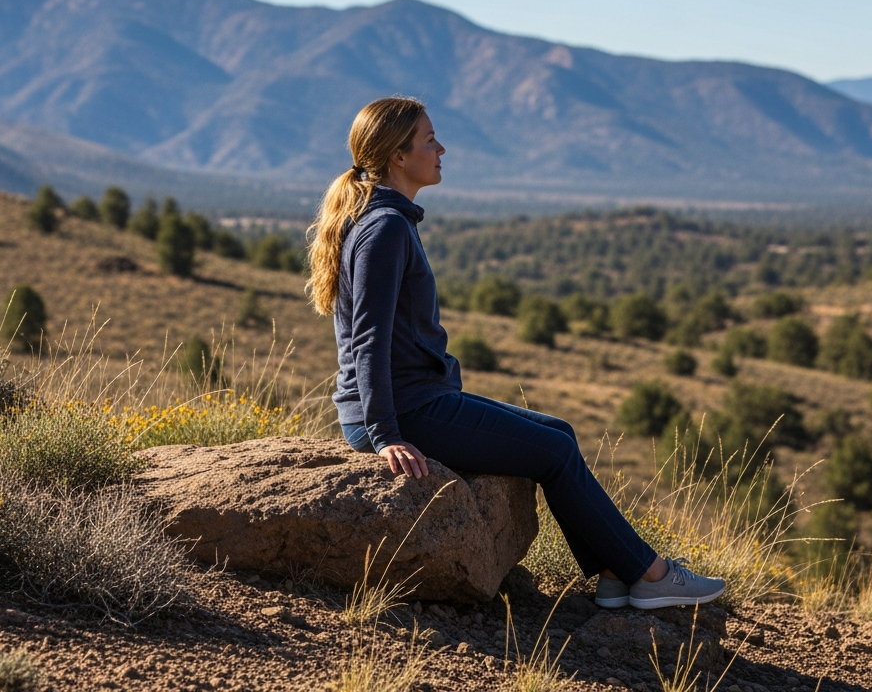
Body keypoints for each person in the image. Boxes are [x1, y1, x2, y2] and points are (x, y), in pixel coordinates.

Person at [304, 96, 725, 609]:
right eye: (429, 139)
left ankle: (616, 571)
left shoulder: (382, 218)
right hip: (407, 411)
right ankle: (651, 575)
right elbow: (368, 337)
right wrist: (385, 433)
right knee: (554, 453)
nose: (441, 148)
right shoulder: (384, 227)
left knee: (559, 433)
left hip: (416, 400)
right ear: (397, 155)